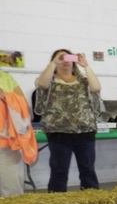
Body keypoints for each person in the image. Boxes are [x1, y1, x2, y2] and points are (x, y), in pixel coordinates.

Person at [34, 49, 102, 192]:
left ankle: (91, 201)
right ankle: (57, 202)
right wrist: (54, 63)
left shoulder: (83, 81)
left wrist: (86, 65)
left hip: (85, 132)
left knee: (88, 170)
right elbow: (41, 85)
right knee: (59, 171)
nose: (65, 61)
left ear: (74, 61)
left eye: (68, 58)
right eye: (61, 58)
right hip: (58, 133)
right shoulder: (49, 80)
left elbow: (96, 88)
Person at [0, 70, 37, 197]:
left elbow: (24, 108)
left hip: (7, 144)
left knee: (12, 192)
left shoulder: (5, 77)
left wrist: (6, 97)